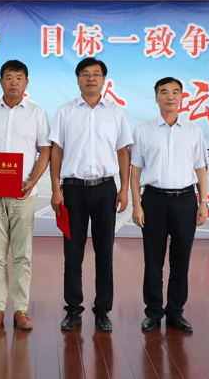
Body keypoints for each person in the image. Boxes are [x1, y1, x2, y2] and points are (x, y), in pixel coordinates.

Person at [49, 57, 132, 332]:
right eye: (85, 74)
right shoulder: (65, 111)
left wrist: (124, 189)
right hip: (72, 191)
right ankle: (73, 309)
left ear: (104, 80)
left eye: (96, 74)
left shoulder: (116, 113)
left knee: (104, 254)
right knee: (72, 254)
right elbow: (56, 152)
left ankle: (103, 311)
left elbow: (123, 152)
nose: (91, 78)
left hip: (106, 190)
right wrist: (55, 189)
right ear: (77, 80)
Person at [0, 60, 51, 330]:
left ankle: (21, 309)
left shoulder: (37, 113)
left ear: (26, 82)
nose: (13, 82)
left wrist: (32, 181)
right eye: (8, 77)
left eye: (19, 77)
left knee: (22, 254)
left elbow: (45, 151)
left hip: (23, 194)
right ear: (1, 81)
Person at [130, 77, 209, 333]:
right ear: (156, 98)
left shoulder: (194, 131)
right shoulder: (143, 130)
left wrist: (203, 202)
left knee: (180, 261)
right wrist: (137, 205)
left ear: (182, 97)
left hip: (185, 202)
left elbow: (201, 169)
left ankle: (175, 312)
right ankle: (153, 312)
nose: (170, 96)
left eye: (175, 92)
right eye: (164, 92)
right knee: (153, 262)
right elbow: (135, 171)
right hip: (153, 200)